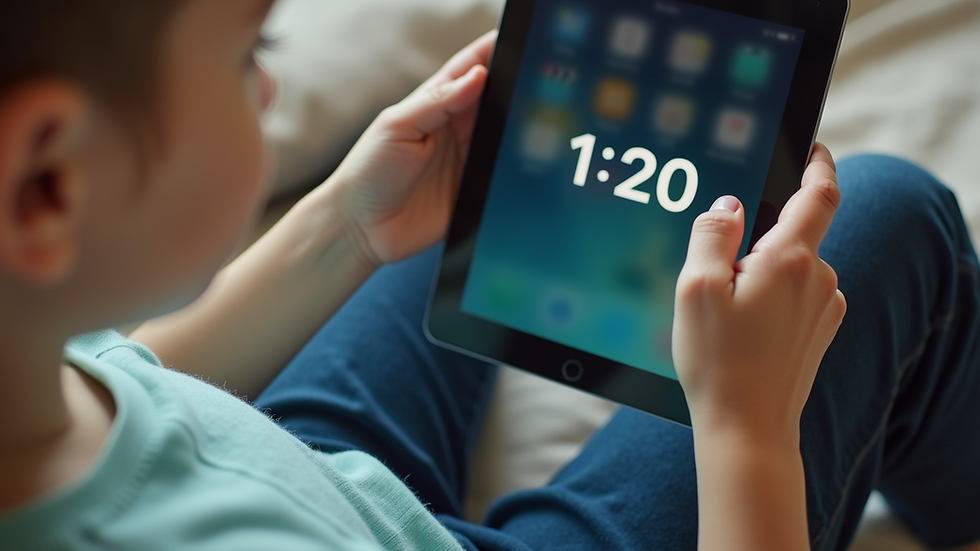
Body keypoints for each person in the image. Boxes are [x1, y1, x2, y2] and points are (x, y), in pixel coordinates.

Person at [0, 1, 976, 550]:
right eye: (248, 50)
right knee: (885, 214)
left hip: (299, 472)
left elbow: (127, 380)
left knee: (475, 194)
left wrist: (346, 225)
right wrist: (747, 432)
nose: (263, 87)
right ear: (48, 183)